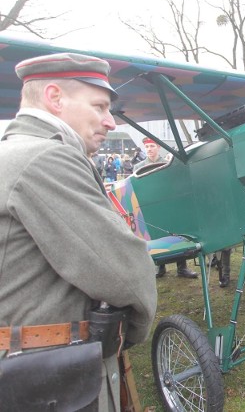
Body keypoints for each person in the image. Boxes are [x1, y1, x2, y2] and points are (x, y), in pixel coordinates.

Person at [0, 52, 157, 411]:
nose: (110, 122)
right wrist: (126, 334)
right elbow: (125, 273)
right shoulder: (45, 158)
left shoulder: (15, 152)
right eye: (100, 106)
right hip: (49, 376)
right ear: (55, 98)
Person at [136, 136, 198, 278]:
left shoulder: (167, 163)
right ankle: (160, 267)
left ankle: (182, 268)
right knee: (156, 235)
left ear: (158, 147)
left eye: (152, 146)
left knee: (177, 233)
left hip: (168, 205)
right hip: (150, 207)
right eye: (147, 147)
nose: (149, 149)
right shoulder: (138, 168)